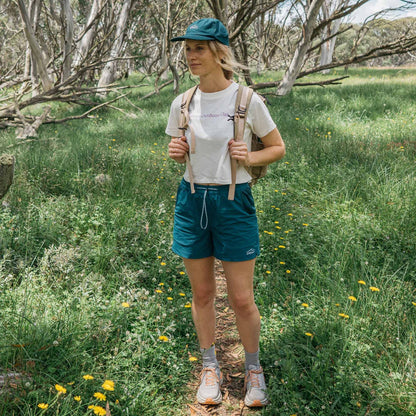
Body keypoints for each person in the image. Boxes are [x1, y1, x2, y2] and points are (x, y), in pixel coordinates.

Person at [165, 18, 285, 408]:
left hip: (235, 202)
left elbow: (277, 147)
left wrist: (249, 156)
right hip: (192, 200)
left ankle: (253, 369)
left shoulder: (247, 100)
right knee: (202, 293)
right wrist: (176, 152)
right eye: (187, 49)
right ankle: (210, 367)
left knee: (241, 298)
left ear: (219, 52)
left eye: (198, 48)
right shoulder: (182, 102)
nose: (191, 56)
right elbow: (177, 147)